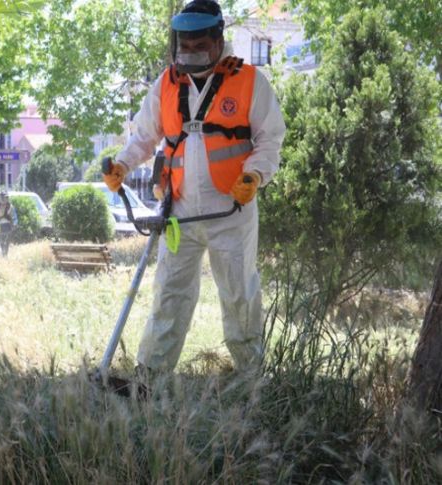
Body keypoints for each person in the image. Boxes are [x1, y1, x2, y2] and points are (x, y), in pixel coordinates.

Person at [103, 0, 286, 376]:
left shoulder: (250, 81)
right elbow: (144, 136)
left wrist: (254, 175)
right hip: (180, 211)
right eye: (183, 47)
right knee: (169, 293)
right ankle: (149, 379)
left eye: (198, 46)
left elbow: (270, 140)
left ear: (217, 41)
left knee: (239, 296)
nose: (189, 53)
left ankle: (252, 380)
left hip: (231, 209)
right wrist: (122, 163)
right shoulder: (166, 84)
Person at [0, 191, 18, 257]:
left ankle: (5, 256)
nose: (3, 200)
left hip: (7, 226)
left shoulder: (10, 207)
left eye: (5, 198)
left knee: (6, 243)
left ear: (7, 198)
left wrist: (15, 224)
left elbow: (14, 217)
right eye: (1, 198)